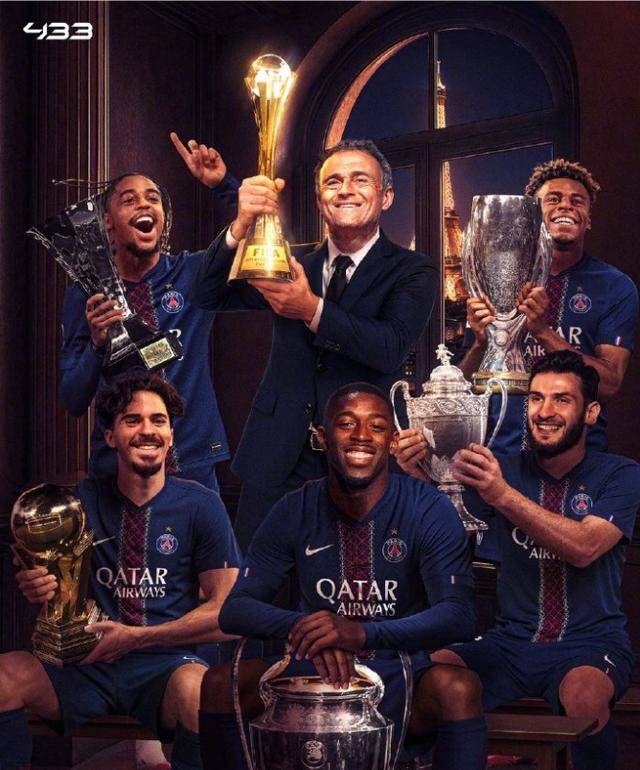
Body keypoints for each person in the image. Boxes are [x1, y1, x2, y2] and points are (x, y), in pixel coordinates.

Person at [198, 383, 487, 770]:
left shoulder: (428, 507)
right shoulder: (295, 508)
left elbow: (458, 615)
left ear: (392, 441)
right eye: (346, 424)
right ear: (322, 437)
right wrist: (313, 631)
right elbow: (236, 610)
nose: (361, 436)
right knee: (219, 684)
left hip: (398, 671)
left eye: (377, 426)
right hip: (311, 671)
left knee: (459, 689)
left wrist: (360, 634)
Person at [177, 136, 437, 551]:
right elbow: (206, 293)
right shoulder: (291, 261)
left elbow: (388, 346)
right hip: (275, 459)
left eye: (360, 180)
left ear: (386, 196)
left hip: (361, 461)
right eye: (333, 182)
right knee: (258, 583)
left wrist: (311, 309)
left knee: (351, 583)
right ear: (320, 202)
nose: (345, 189)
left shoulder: (414, 270)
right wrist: (240, 225)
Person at [398, 350, 640, 770]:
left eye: (562, 399)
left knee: (584, 696)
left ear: (590, 412)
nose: (545, 412)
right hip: (509, 644)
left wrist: (503, 495)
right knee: (426, 675)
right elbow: (447, 516)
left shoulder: (620, 474)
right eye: (536, 398)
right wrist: (422, 473)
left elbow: (585, 547)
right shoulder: (502, 468)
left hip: (590, 643)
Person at [0, 371, 240, 770]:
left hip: (165, 666)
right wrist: (38, 581)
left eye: (158, 420)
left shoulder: (201, 505)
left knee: (200, 695)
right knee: (3, 677)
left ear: (171, 435)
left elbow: (229, 614)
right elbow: (48, 579)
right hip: (84, 667)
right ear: (111, 436)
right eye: (132, 420)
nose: (147, 430)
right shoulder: (77, 503)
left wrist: (136, 638)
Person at [59, 150, 235, 492]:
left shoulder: (194, 273)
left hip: (193, 465)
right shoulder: (85, 294)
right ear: (108, 221)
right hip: (116, 473)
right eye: (129, 200)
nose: (144, 204)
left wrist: (224, 185)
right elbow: (73, 399)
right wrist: (97, 345)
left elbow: (263, 240)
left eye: (153, 199)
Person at [459, 158, 638, 455]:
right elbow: (462, 385)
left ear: (588, 219)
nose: (565, 206)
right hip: (497, 452)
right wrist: (480, 344)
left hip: (576, 459)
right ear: (532, 215)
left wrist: (543, 333)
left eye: (577, 201)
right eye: (553, 199)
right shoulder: (496, 276)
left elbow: (608, 385)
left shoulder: (614, 286)